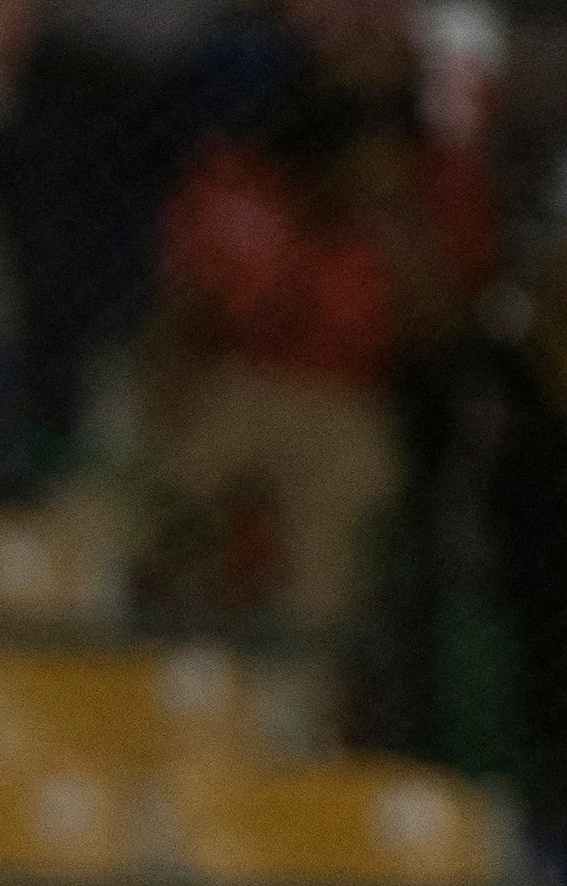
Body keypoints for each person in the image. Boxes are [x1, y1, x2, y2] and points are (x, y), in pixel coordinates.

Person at [136, 60, 492, 630]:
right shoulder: (242, 176)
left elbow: (443, 334)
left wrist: (392, 215)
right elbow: (183, 311)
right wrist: (163, 412)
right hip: (238, 382)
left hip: (347, 404)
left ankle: (294, 703)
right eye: (350, 120)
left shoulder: (421, 192)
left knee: (329, 559)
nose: (367, 137)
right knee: (154, 500)